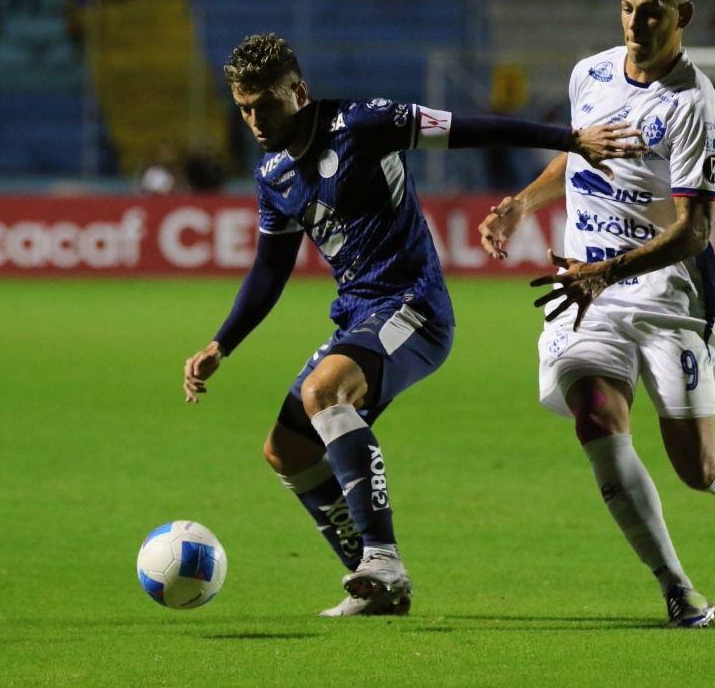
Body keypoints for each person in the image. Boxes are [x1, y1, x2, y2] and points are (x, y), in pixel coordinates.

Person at [182, 33, 642, 617]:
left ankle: (382, 556)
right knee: (286, 452)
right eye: (244, 107)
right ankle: (377, 587)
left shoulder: (365, 122)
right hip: (359, 314)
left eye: (265, 104)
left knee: (325, 391)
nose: (254, 119)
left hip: (414, 306)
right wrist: (222, 343)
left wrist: (570, 140)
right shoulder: (274, 174)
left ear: (298, 90)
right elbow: (270, 270)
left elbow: (472, 128)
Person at [477, 0, 715, 628]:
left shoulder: (693, 106)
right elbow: (579, 155)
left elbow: (693, 231)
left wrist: (608, 270)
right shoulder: (589, 74)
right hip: (587, 293)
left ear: (681, 14)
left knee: (696, 466)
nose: (636, 19)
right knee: (596, 418)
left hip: (668, 299)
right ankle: (677, 588)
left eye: (651, 9)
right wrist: (523, 203)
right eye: (628, 6)